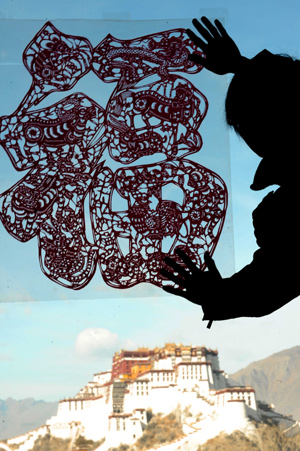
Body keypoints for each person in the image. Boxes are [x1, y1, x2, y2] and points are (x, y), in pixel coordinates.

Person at [160, 17, 300, 327]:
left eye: (242, 125)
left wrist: (217, 295)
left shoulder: (291, 211)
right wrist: (242, 66)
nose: (248, 138)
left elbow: (276, 279)